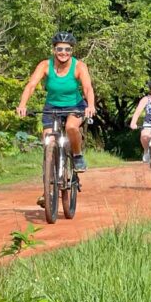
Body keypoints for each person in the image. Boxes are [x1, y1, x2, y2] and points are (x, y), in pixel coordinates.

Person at [15, 32, 96, 207]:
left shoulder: (79, 66)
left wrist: (90, 105)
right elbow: (31, 85)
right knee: (48, 142)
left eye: (67, 49)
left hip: (75, 106)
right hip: (51, 107)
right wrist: (22, 104)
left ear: (72, 51)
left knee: (71, 128)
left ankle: (77, 155)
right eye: (59, 49)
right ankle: (48, 189)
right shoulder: (45, 65)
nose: (63, 52)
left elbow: (87, 87)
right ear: (54, 50)